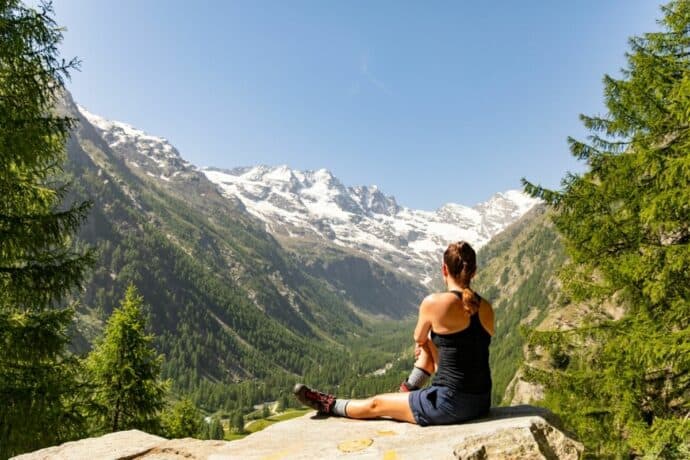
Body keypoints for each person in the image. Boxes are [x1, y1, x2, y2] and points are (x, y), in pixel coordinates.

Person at [294, 241, 495, 426]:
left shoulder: (435, 303)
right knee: (432, 343)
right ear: (474, 271)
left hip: (450, 405)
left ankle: (330, 404)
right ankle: (406, 391)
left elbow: (419, 339)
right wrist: (428, 345)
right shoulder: (486, 308)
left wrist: (424, 343)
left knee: (377, 404)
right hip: (480, 401)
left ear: (444, 269)